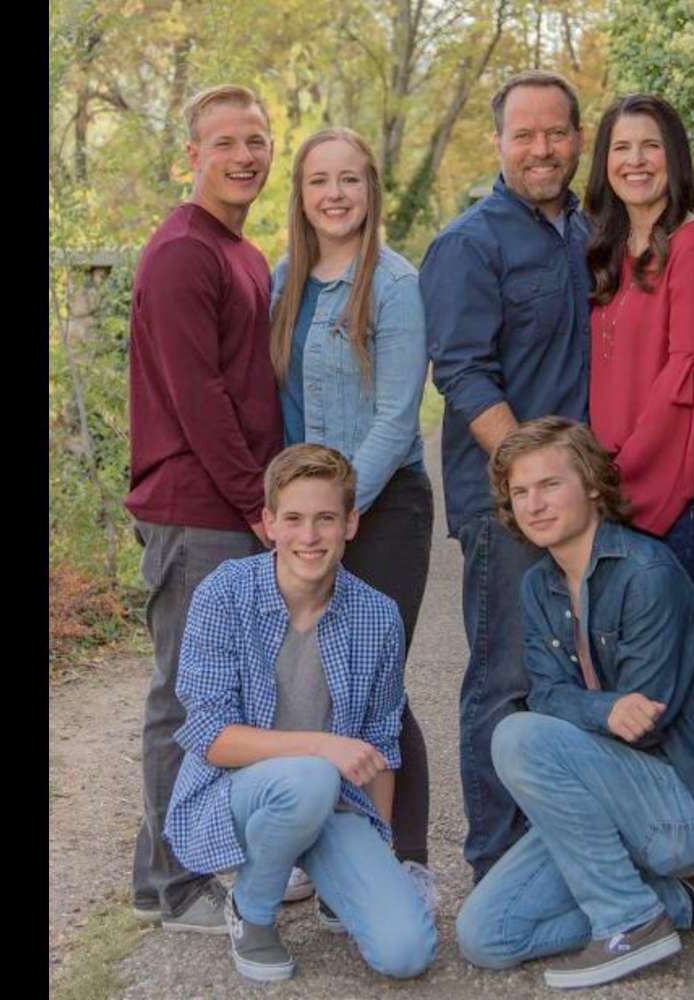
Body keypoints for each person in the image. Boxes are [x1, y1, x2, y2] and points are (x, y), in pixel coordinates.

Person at [456, 417, 694, 990]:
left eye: (550, 485)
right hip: (601, 795)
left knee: (517, 737)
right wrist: (602, 710)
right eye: (521, 492)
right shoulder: (539, 586)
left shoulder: (646, 574)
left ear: (592, 484)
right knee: (484, 936)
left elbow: (643, 726)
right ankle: (680, 900)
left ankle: (629, 921)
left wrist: (595, 713)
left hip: (680, 806)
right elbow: (545, 694)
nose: (534, 504)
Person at [163, 444, 438, 983]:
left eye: (325, 519)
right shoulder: (224, 594)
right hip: (235, 794)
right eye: (292, 519)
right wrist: (320, 747)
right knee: (311, 775)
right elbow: (209, 735)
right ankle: (253, 912)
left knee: (407, 952)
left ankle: (332, 876)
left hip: (332, 801)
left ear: (351, 523)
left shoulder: (377, 616)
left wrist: (377, 852)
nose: (308, 537)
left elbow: (381, 744)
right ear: (268, 523)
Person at [420, 70, 591, 884]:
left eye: (555, 132)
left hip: (585, 504)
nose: (541, 149)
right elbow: (461, 372)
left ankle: (560, 849)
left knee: (575, 672)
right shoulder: (470, 242)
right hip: (507, 506)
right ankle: (495, 859)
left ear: (578, 140)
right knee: (506, 677)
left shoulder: (590, 234)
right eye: (524, 135)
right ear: (498, 144)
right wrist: (531, 481)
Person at [124, 84, 283, 933]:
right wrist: (260, 504)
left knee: (223, 696)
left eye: (255, 140)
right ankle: (168, 886)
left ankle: (196, 856)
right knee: (186, 700)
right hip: (196, 509)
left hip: (229, 508)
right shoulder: (183, 253)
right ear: (192, 155)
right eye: (225, 142)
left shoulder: (242, 253)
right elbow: (199, 398)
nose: (244, 156)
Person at [268, 127, 436, 919]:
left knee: (375, 679)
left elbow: (399, 417)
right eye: (317, 182)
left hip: (386, 506)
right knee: (306, 683)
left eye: (349, 181)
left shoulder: (396, 284)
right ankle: (320, 851)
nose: (334, 195)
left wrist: (340, 509)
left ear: (371, 190)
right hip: (312, 515)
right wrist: (299, 514)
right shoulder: (284, 285)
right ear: (300, 198)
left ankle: (406, 857)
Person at [584, 94, 694, 638]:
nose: (636, 160)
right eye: (622, 147)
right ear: (605, 161)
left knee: (687, 687)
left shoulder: (693, 246)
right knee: (636, 687)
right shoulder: (609, 252)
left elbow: (686, 386)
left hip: (682, 494)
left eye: (651, 146)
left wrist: (617, 481)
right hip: (625, 495)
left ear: (674, 157)